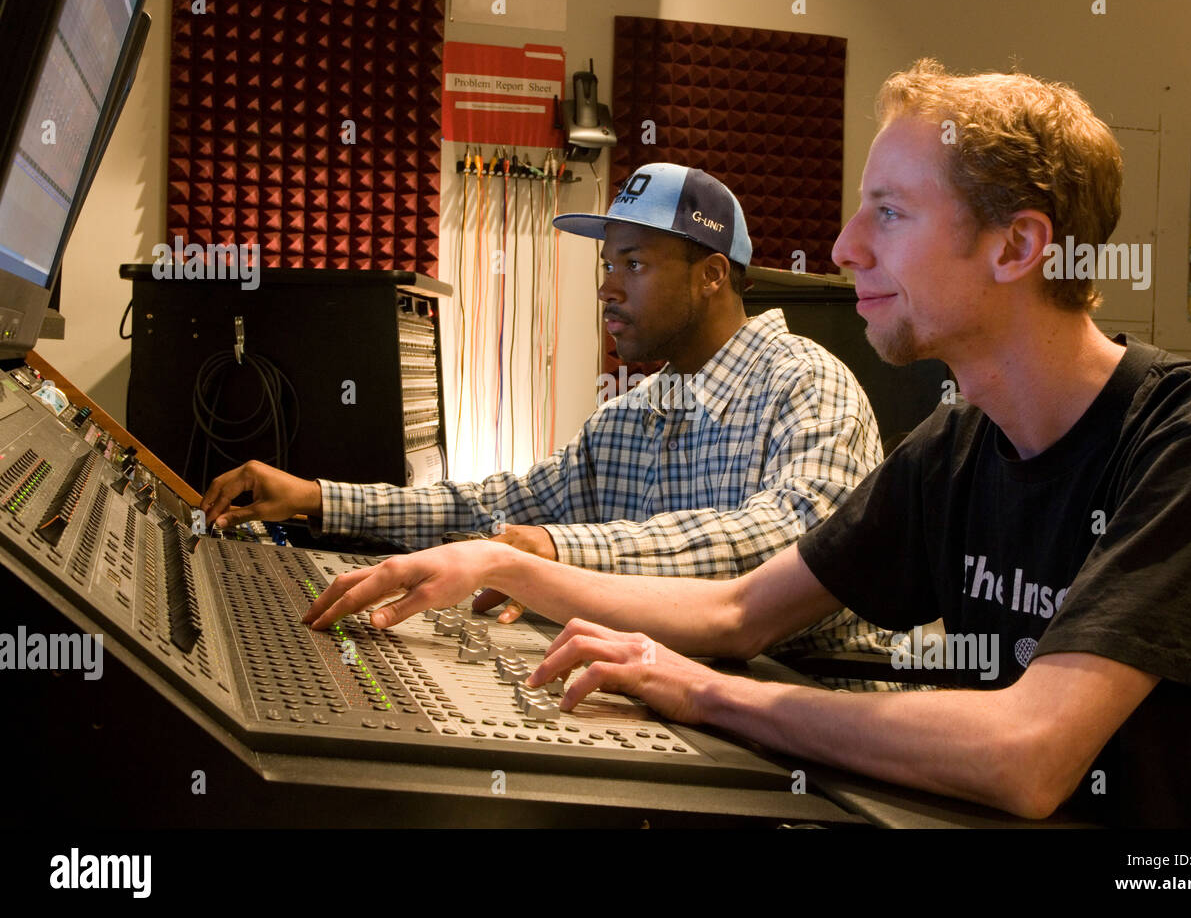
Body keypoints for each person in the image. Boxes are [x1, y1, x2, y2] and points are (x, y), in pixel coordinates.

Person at [297, 60, 1191, 827]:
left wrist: (698, 687)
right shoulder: (956, 443)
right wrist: (492, 555)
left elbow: (1027, 752)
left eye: (890, 213)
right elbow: (736, 607)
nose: (843, 247)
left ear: (1016, 246)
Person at [201, 162, 910, 685]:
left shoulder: (810, 386)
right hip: (677, 696)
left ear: (712, 276)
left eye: (633, 264)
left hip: (810, 731)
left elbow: (779, 549)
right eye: (607, 265)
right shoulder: (632, 415)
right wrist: (320, 497)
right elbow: (497, 508)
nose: (606, 287)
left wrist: (551, 555)